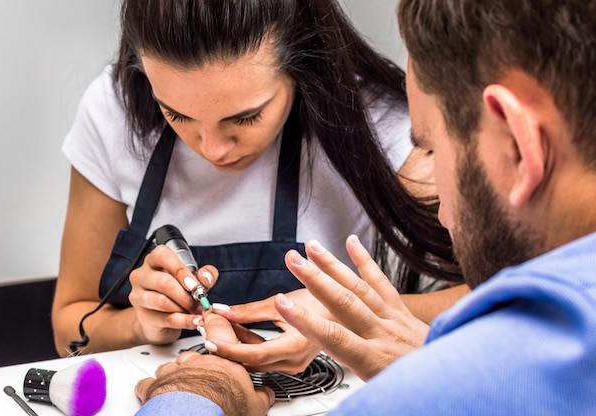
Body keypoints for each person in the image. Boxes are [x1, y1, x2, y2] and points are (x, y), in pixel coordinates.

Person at [133, 0, 596, 414]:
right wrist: (427, 353)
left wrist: (196, 393)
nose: (440, 216)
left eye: (430, 148)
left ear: (517, 144)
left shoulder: (468, 385)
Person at [52, 0, 464, 358]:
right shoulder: (115, 111)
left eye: (246, 117)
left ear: (303, 67)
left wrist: (343, 318)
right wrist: (142, 326)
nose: (212, 149)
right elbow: (69, 325)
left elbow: (501, 297)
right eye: (176, 114)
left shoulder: (379, 121)